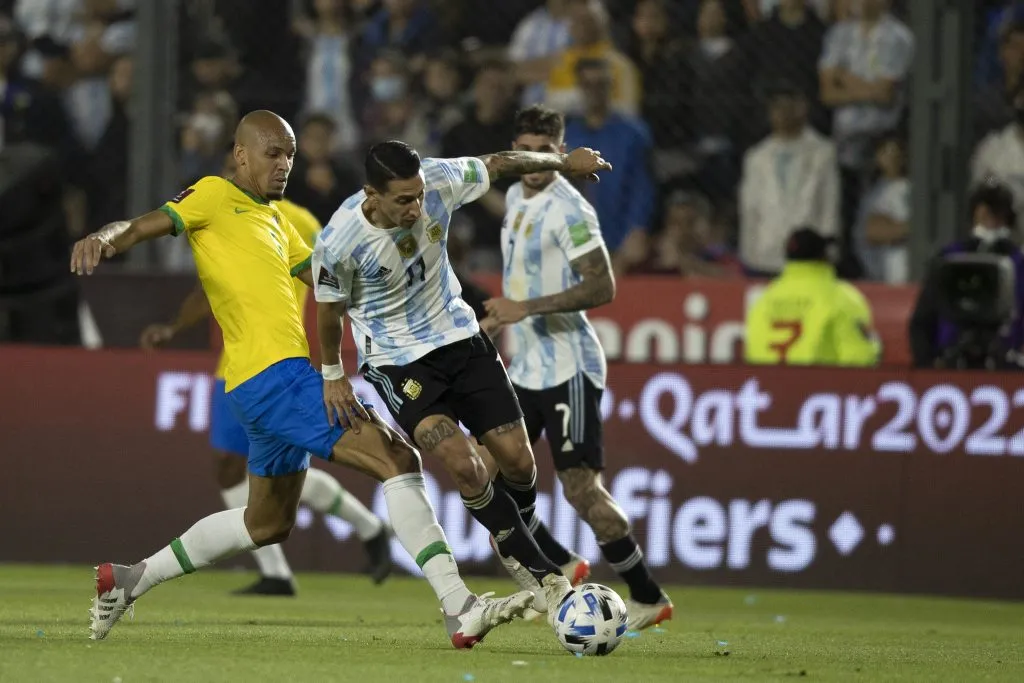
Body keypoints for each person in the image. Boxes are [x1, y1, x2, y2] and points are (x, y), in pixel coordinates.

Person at [71, 110, 534, 647]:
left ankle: (128, 579)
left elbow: (331, 282)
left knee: (265, 524)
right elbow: (143, 224)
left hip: (259, 386)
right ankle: (460, 606)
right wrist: (104, 240)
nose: (284, 164)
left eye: (290, 154)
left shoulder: (277, 223)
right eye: (274, 152)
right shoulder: (213, 195)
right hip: (276, 379)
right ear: (240, 154)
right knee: (398, 459)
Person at [312, 138, 613, 626]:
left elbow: (499, 161)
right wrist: (332, 376)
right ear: (372, 194)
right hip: (398, 362)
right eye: (403, 200)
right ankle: (542, 574)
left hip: (460, 339)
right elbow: (329, 313)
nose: (416, 206)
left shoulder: (440, 181)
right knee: (464, 463)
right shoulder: (340, 240)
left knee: (518, 461)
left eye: (419, 195)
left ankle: (507, 531)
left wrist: (563, 162)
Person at [139, 152, 392, 596]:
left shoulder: (296, 221)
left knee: (258, 474)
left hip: (281, 363)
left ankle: (331, 545)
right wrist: (175, 327)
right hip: (235, 365)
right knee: (242, 472)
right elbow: (205, 289)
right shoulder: (220, 211)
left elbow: (330, 280)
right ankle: (341, 540)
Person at [479, 105, 673, 631]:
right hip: (527, 366)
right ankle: (562, 563)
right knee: (488, 472)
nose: (535, 161)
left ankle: (648, 596)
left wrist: (525, 308)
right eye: (527, 149)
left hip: (570, 365)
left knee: (580, 488)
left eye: (546, 151)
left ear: (561, 152)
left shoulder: (570, 210)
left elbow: (602, 286)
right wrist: (504, 311)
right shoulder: (517, 194)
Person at [909, 179, 1024, 369]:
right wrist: (928, 365)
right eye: (986, 211)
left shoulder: (1019, 262)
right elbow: (922, 321)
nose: (991, 219)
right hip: (951, 360)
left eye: (997, 212)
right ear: (974, 214)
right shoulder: (949, 259)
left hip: (1006, 363)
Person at [744, 227, 880, 366]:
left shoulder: (763, 299)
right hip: (820, 386)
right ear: (823, 256)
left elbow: (751, 354)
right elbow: (859, 358)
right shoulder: (842, 298)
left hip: (768, 384)